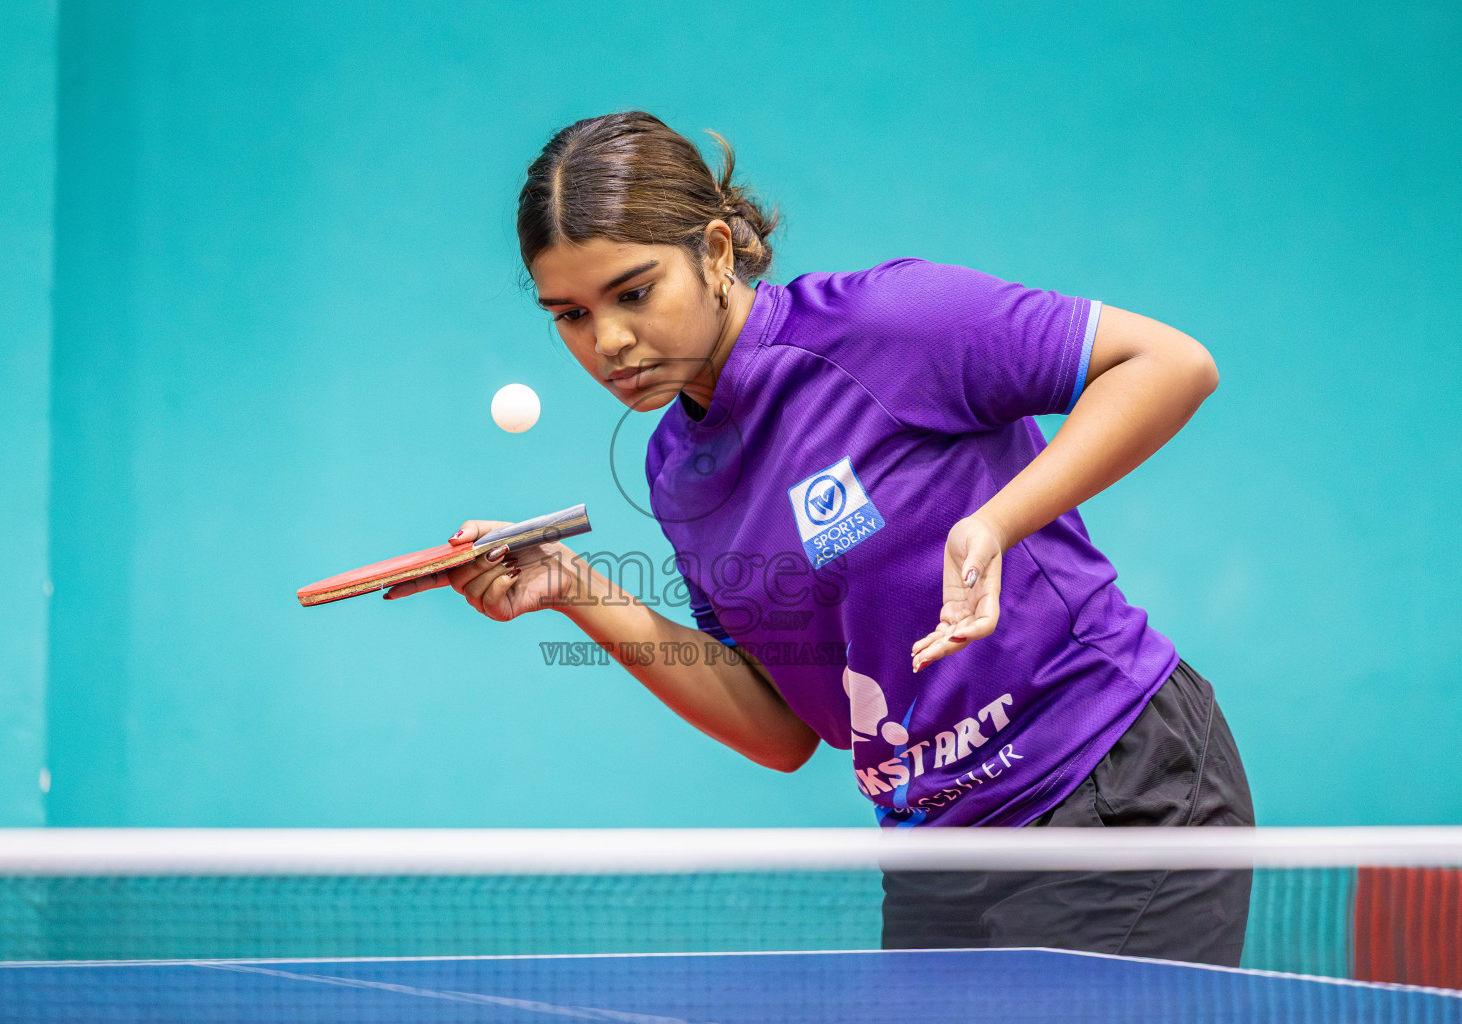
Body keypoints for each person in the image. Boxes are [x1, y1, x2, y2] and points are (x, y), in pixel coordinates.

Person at [387, 111, 1255, 965]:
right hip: (937, 852)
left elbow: (1172, 364)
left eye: (634, 292)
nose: (609, 341)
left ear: (717, 253)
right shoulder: (675, 469)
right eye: (569, 314)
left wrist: (994, 522)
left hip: (1107, 788)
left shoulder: (889, 324)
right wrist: (572, 585)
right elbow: (784, 732)